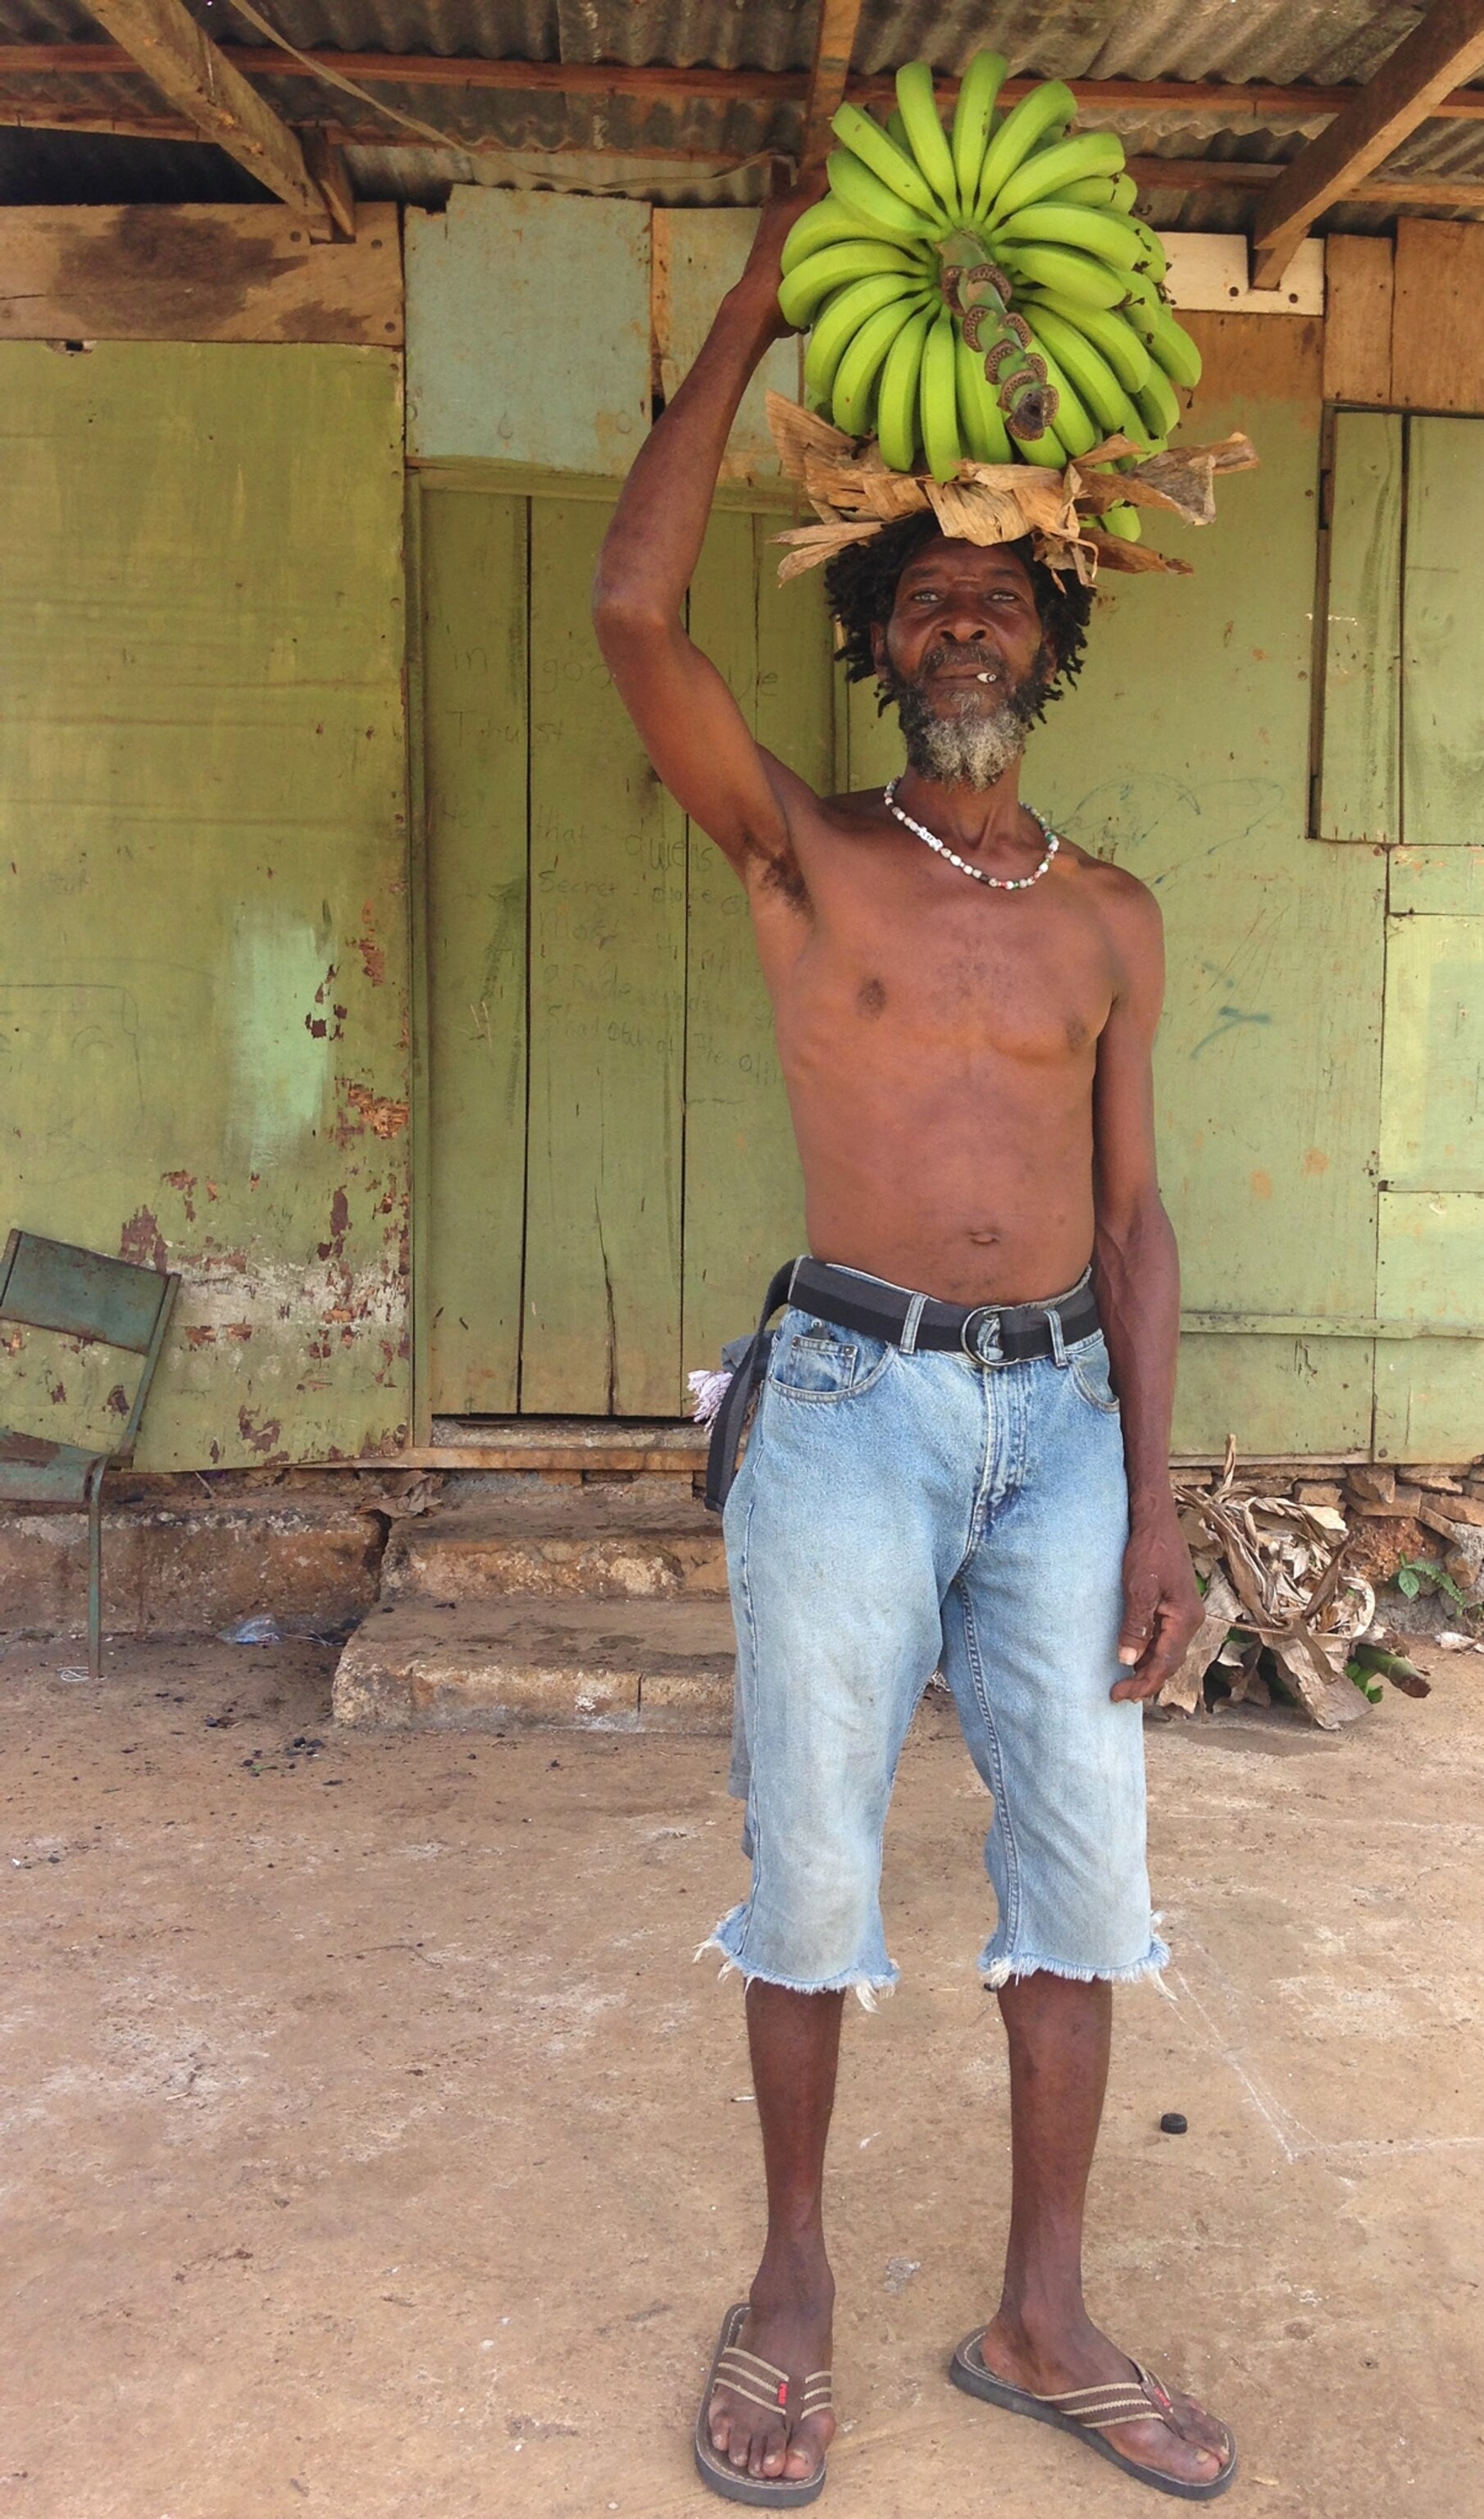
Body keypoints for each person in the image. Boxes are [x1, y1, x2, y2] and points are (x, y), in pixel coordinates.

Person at [593, 175, 1233, 2508]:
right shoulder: (806, 854)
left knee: (1084, 1875)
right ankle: (792, 2286)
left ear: (1050, 636)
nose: (965, 616)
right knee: (814, 1871)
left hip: (1064, 1427)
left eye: (1001, 591)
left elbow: (1136, 1220)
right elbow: (633, 607)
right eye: (926, 592)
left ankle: (1041, 2310)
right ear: (875, 635)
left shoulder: (1113, 918)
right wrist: (761, 298)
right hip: (850, 1410)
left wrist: (1158, 1504)